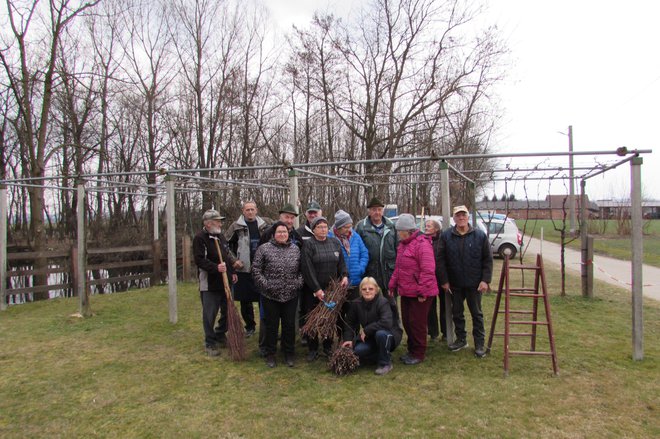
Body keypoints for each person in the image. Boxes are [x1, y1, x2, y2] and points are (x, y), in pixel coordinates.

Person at [437, 205, 493, 358]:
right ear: (454, 218)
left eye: (464, 215)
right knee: (457, 313)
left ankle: (479, 343)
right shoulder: (446, 236)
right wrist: (444, 280)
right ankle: (461, 339)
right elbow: (440, 260)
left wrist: (485, 280)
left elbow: (488, 260)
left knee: (476, 313)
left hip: (475, 284)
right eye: (458, 215)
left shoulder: (480, 236)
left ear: (468, 217)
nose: (461, 218)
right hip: (454, 284)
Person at [388, 213, 438, 365]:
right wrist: (392, 284)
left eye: (399, 231)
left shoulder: (422, 244)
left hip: (420, 293)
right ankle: (411, 349)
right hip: (406, 291)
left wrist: (422, 291)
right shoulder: (403, 245)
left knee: (417, 324)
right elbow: (399, 268)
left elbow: (428, 269)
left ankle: (418, 353)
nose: (397, 234)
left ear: (407, 230)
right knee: (408, 322)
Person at [252, 222, 304, 368]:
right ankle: (271, 354)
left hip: (291, 295)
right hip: (270, 295)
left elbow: (302, 270)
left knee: (289, 325)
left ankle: (289, 353)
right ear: (273, 234)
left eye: (285, 232)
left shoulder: (295, 249)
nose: (282, 234)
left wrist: (297, 284)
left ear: (289, 234)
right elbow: (256, 270)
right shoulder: (264, 249)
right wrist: (267, 286)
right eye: (279, 232)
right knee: (271, 326)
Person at [300, 216, 349, 362]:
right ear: (313, 229)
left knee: (329, 318)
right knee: (313, 318)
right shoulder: (309, 245)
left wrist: (345, 276)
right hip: (313, 291)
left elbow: (341, 263)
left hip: (332, 290)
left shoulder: (334, 242)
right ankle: (313, 348)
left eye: (325, 227)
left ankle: (327, 346)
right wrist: (316, 289)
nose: (323, 229)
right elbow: (307, 268)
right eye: (319, 227)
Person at [192, 209, 238, 356]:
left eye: (220, 221)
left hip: (225, 282)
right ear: (208, 223)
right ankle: (209, 342)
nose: (220, 223)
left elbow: (226, 255)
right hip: (210, 284)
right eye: (217, 221)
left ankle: (220, 333)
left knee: (227, 310)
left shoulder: (220, 237)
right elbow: (199, 260)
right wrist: (215, 267)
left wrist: (233, 272)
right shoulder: (200, 238)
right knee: (209, 313)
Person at [225, 200, 272, 337]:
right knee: (245, 300)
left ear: (256, 210)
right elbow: (225, 245)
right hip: (244, 268)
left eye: (252, 209)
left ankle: (267, 324)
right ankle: (250, 326)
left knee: (265, 298)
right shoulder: (236, 226)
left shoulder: (265, 224)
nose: (250, 212)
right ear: (243, 211)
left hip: (263, 268)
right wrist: (234, 261)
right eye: (247, 210)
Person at [342, 277, 403, 375]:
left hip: (389, 334)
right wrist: (348, 339)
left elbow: (386, 323)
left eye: (371, 289)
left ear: (376, 290)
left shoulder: (383, 302)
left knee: (380, 334)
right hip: (371, 337)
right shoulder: (356, 304)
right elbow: (349, 322)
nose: (367, 291)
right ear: (360, 291)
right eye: (364, 289)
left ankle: (385, 363)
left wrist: (366, 330)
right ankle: (381, 354)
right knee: (358, 351)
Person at [355, 197, 397, 296]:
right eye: (374, 210)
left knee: (391, 305)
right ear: (369, 212)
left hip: (389, 272)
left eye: (379, 209)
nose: (377, 212)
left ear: (383, 211)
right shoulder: (361, 227)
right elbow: (357, 250)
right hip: (370, 272)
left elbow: (397, 247)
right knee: (371, 304)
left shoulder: (391, 226)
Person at [328, 209, 369, 301]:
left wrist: (360, 268)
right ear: (338, 227)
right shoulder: (329, 237)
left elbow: (364, 253)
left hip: (355, 281)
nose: (349, 229)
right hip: (338, 283)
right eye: (346, 227)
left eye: (350, 226)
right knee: (339, 312)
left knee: (354, 310)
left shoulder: (355, 236)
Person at [425, 218, 447, 341]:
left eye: (429, 226)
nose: (426, 228)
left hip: (441, 278)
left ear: (436, 229)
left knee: (445, 305)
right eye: (426, 226)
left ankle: (446, 332)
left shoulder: (442, 240)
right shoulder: (424, 241)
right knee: (430, 306)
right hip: (429, 279)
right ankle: (433, 332)